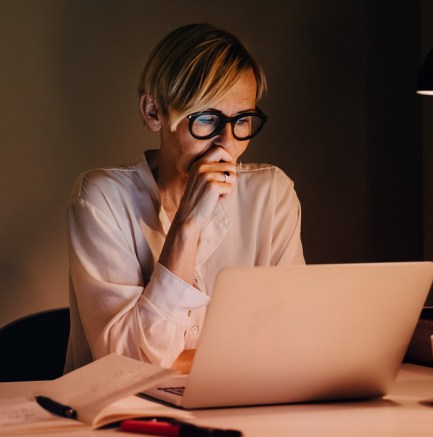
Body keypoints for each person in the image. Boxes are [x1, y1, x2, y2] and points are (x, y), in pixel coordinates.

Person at [64, 23, 305, 374]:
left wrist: (184, 363)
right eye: (207, 119)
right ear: (153, 113)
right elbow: (127, 366)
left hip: (242, 406)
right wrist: (187, 225)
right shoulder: (101, 198)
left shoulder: (271, 194)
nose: (227, 143)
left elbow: (291, 341)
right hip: (122, 417)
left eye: (242, 120)